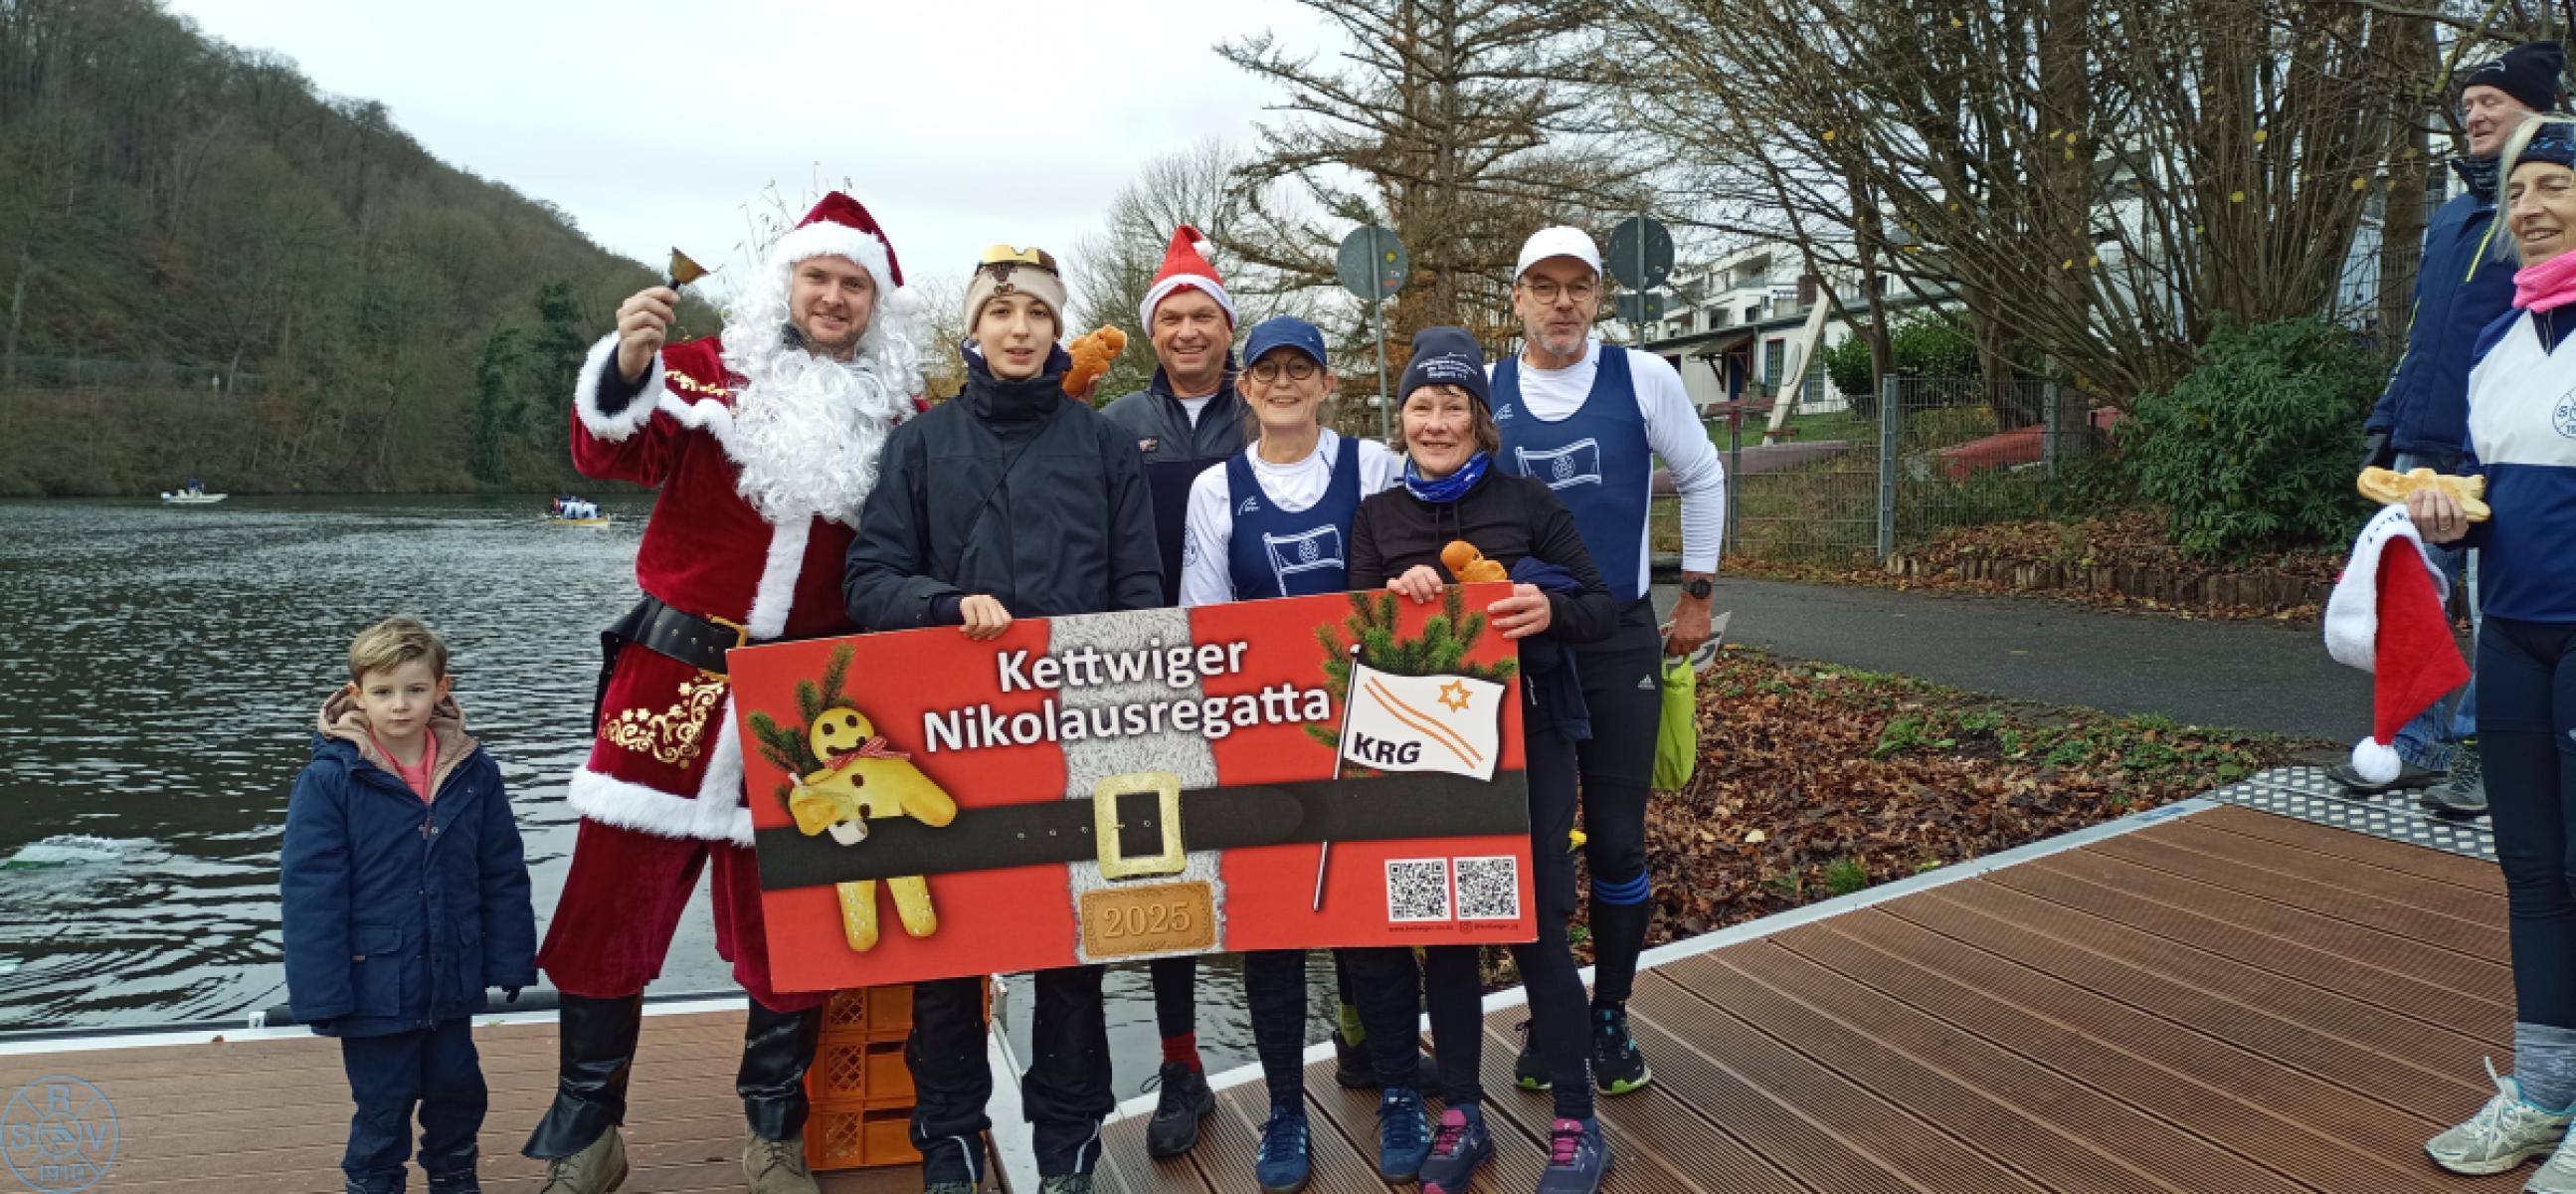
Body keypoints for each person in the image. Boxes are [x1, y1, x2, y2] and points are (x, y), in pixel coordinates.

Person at [529, 192, 927, 1194]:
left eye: (853, 284)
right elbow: (610, 452)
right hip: (670, 677)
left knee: (791, 922)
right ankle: (587, 1134)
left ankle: (774, 1134)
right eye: (817, 277)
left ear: (875, 303)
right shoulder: (703, 372)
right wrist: (627, 361)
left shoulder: (903, 417)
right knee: (608, 905)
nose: (833, 297)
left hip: (809, 699)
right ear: (786, 283)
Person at [843, 243, 1161, 1194]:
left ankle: (1068, 1141)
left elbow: (1141, 589)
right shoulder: (920, 445)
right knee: (949, 950)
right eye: (1001, 313)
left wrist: (1126, 711)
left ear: (1059, 330)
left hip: (1076, 731)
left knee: (1075, 944)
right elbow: (868, 580)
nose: (1019, 330)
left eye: (1037, 315)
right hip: (950, 740)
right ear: (974, 327)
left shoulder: (1103, 443)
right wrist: (942, 605)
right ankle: (946, 1136)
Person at [1344, 328, 1619, 1194]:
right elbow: (1353, 633)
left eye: (1453, 406)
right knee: (1448, 931)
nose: (1435, 422)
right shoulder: (1377, 517)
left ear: (1480, 420)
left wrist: (1546, 608)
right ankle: (1462, 1116)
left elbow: (1601, 606)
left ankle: (1576, 1122)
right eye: (1421, 405)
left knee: (1535, 925)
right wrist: (1393, 599)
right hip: (1427, 752)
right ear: (1402, 418)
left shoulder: (1529, 501)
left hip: (1530, 742)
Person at [1492, 226, 1727, 1094]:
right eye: (1544, 287)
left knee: (1620, 843)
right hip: (1522, 650)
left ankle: (1610, 1013)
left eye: (1578, 287)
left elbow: (1703, 474)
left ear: (1599, 297)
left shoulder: (1643, 377)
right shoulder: (1485, 390)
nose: (1562, 303)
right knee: (1538, 850)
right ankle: (1554, 1012)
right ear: (1517, 298)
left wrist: (1694, 592)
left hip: (1619, 636)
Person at [1175, 315, 1403, 1192]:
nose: (1282, 384)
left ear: (1327, 382)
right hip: (1267, 729)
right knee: (1272, 928)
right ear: (1244, 387)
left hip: (1367, 722)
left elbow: (1407, 579)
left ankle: (1396, 1093)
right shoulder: (1215, 489)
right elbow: (1204, 619)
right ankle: (1283, 1108)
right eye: (1266, 371)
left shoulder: (1373, 465)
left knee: (1371, 918)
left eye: (1299, 369)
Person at [2412, 113, 2576, 1191]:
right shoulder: (2496, 342)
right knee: (2531, 869)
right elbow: (2486, 494)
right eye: (2517, 192)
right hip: (2513, 634)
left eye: (2554, 185)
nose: (2529, 208)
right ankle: (2545, 1094)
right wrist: (2447, 514)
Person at [2346, 41, 2562, 812]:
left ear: (2535, 112)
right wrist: (2387, 419)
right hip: (2421, 442)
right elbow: (2421, 334)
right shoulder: (2449, 217)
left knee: (2492, 605)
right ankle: (2413, 743)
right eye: (2466, 103)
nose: (2472, 114)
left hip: (2499, 448)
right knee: (2406, 596)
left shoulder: (2543, 218)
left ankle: (2479, 751)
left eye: (2490, 101)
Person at [282, 617, 535, 1194]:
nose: (400, 705)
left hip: (452, 976)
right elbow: (311, 896)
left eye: (415, 689)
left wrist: (510, 958)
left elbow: (501, 870)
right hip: (372, 983)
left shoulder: (474, 771)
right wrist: (321, 993)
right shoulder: (329, 781)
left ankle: (455, 1180)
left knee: (459, 1094)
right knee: (382, 1106)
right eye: (383, 691)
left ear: (442, 688)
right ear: (357, 695)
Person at [1096, 225, 1247, 1155]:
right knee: (1163, 865)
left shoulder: (1265, 407)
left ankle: (1353, 1033)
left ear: (1228, 327)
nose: (1188, 331)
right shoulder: (1116, 423)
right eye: (1172, 318)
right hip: (1145, 670)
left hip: (1258, 671)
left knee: (1294, 842)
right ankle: (1182, 1066)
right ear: (1153, 332)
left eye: (1203, 317)